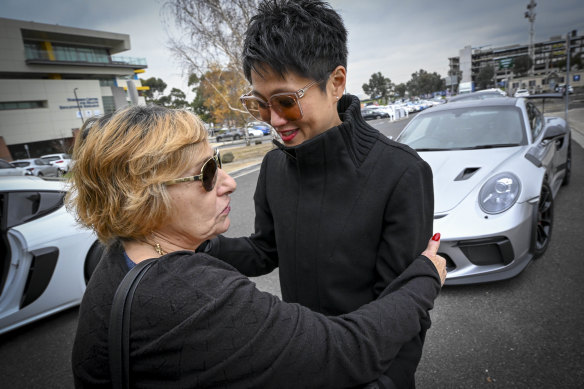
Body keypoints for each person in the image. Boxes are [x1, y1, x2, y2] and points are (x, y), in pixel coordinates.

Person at [69, 105, 446, 388]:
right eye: (205, 173)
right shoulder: (201, 298)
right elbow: (346, 350)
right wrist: (426, 277)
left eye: (217, 161)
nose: (229, 182)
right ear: (144, 196)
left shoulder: (119, 258)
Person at [200, 1, 436, 387]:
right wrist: (196, 244)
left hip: (368, 372)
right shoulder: (275, 166)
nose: (274, 121)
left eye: (286, 101)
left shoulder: (402, 173)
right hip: (298, 362)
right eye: (260, 104)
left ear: (337, 82)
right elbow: (265, 249)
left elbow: (405, 308)